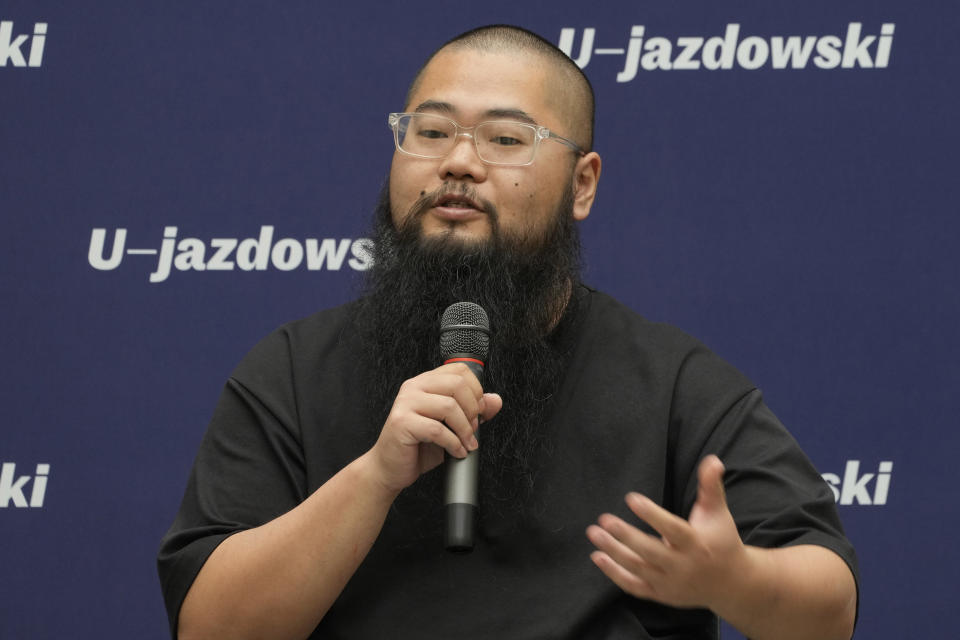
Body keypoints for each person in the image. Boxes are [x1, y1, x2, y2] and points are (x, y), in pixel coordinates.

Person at [158, 25, 858, 640]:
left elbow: (829, 612)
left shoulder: (673, 382)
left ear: (583, 185)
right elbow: (212, 628)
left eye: (505, 139)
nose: (458, 162)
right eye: (430, 132)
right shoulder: (291, 370)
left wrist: (732, 580)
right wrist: (374, 478)